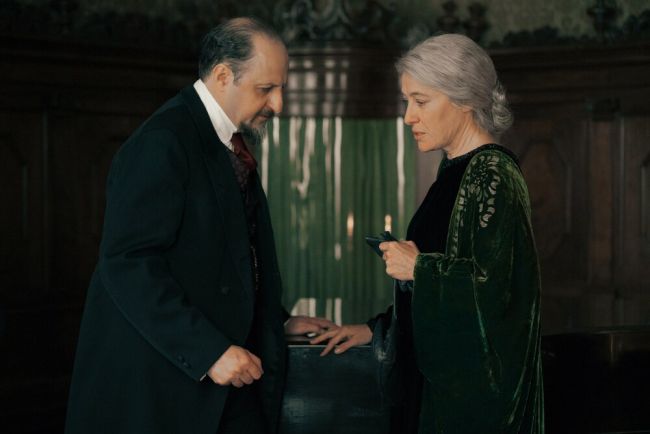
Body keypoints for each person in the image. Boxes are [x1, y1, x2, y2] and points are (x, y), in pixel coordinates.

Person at [65, 17, 336, 434]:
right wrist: (209, 352)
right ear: (223, 76)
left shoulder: (223, 138)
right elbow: (128, 264)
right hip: (165, 384)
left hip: (223, 378)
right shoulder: (162, 142)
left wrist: (273, 321)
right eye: (266, 89)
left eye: (282, 88)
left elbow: (225, 253)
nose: (279, 105)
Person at [312, 33, 544, 433]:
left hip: (473, 411)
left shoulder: (492, 174)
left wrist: (420, 267)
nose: (408, 117)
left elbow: (498, 295)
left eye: (420, 101)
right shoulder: (456, 169)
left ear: (465, 99)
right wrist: (378, 328)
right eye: (407, 101)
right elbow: (444, 288)